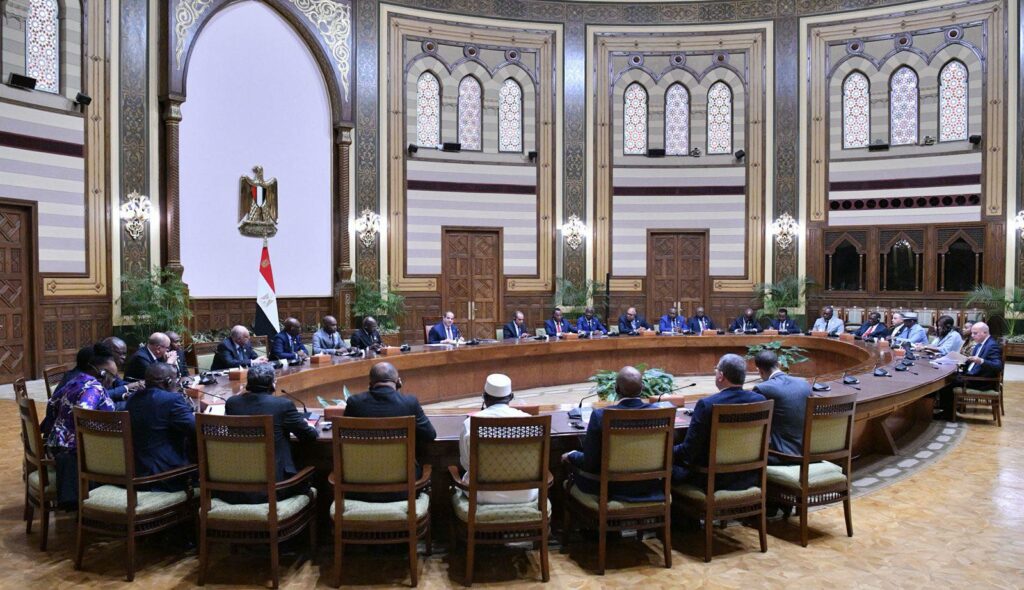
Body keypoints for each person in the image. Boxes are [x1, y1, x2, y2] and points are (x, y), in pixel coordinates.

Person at [563, 366, 664, 501]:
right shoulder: (660, 414)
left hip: (610, 489)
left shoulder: (600, 416)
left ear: (616, 389)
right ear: (643, 388)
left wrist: (571, 455)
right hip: (651, 487)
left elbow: (590, 463)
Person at [672, 354, 767, 491]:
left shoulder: (707, 404)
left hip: (712, 480)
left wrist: (665, 451)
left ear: (721, 376)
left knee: (666, 470)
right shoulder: (760, 400)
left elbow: (688, 452)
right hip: (749, 477)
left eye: (716, 370)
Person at [344, 362, 437, 501]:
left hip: (359, 490)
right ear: (398, 382)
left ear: (370, 383)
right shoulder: (409, 403)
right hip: (402, 490)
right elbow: (430, 435)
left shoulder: (354, 403)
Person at [224, 363, 318, 499]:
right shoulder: (282, 405)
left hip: (237, 488)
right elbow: (309, 436)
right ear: (272, 383)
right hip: (276, 487)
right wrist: (310, 427)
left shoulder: (232, 403)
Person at [41, 344, 119, 507]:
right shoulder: (94, 388)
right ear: (102, 373)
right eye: (113, 376)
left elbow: (52, 404)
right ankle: (106, 504)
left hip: (60, 448)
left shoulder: (75, 380)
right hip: (79, 454)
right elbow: (83, 414)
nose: (114, 380)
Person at [458, 374, 537, 504]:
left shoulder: (470, 424)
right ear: (511, 397)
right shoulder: (531, 422)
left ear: (484, 397)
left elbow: (466, 463)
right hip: (525, 494)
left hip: (481, 494)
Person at [126, 363, 196, 491]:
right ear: (169, 381)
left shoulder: (132, 399)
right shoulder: (172, 400)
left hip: (137, 472)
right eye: (175, 380)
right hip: (166, 475)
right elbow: (196, 428)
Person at [751, 351, 811, 464]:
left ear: (759, 371)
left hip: (781, 455)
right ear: (778, 364)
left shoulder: (763, 389)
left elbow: (754, 424)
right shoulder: (804, 384)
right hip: (807, 452)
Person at [936, 322, 1003, 420]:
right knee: (948, 376)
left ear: (985, 333)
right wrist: (959, 360)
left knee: (946, 382)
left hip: (981, 381)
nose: (972, 336)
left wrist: (981, 361)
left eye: (975, 333)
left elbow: (998, 366)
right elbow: (971, 362)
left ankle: (948, 414)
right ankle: (947, 409)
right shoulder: (980, 344)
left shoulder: (992, 345)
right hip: (972, 375)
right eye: (972, 333)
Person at [97, 336, 143, 403]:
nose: (124, 357)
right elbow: (99, 395)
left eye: (125, 354)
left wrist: (137, 384)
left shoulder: (112, 367)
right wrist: (128, 387)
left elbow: (117, 382)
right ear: (108, 351)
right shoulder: (97, 368)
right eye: (121, 353)